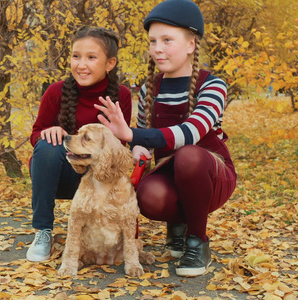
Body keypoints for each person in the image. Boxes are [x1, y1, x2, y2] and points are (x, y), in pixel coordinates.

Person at [95, 0, 237, 277]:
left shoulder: (213, 85)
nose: (157, 48)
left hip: (211, 173)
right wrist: (137, 147)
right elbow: (144, 137)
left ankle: (198, 241)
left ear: (191, 44)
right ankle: (178, 223)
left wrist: (131, 134)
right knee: (149, 196)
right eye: (153, 41)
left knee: (188, 154)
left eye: (167, 40)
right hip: (169, 172)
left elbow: (191, 132)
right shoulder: (151, 87)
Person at [27, 26, 133, 262]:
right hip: (63, 175)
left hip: (99, 178)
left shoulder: (122, 96)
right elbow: (35, 135)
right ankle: (43, 231)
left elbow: (119, 148)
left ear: (110, 63)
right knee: (47, 145)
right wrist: (48, 132)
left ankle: (106, 230)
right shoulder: (55, 92)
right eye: (76, 56)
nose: (81, 64)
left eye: (91, 57)